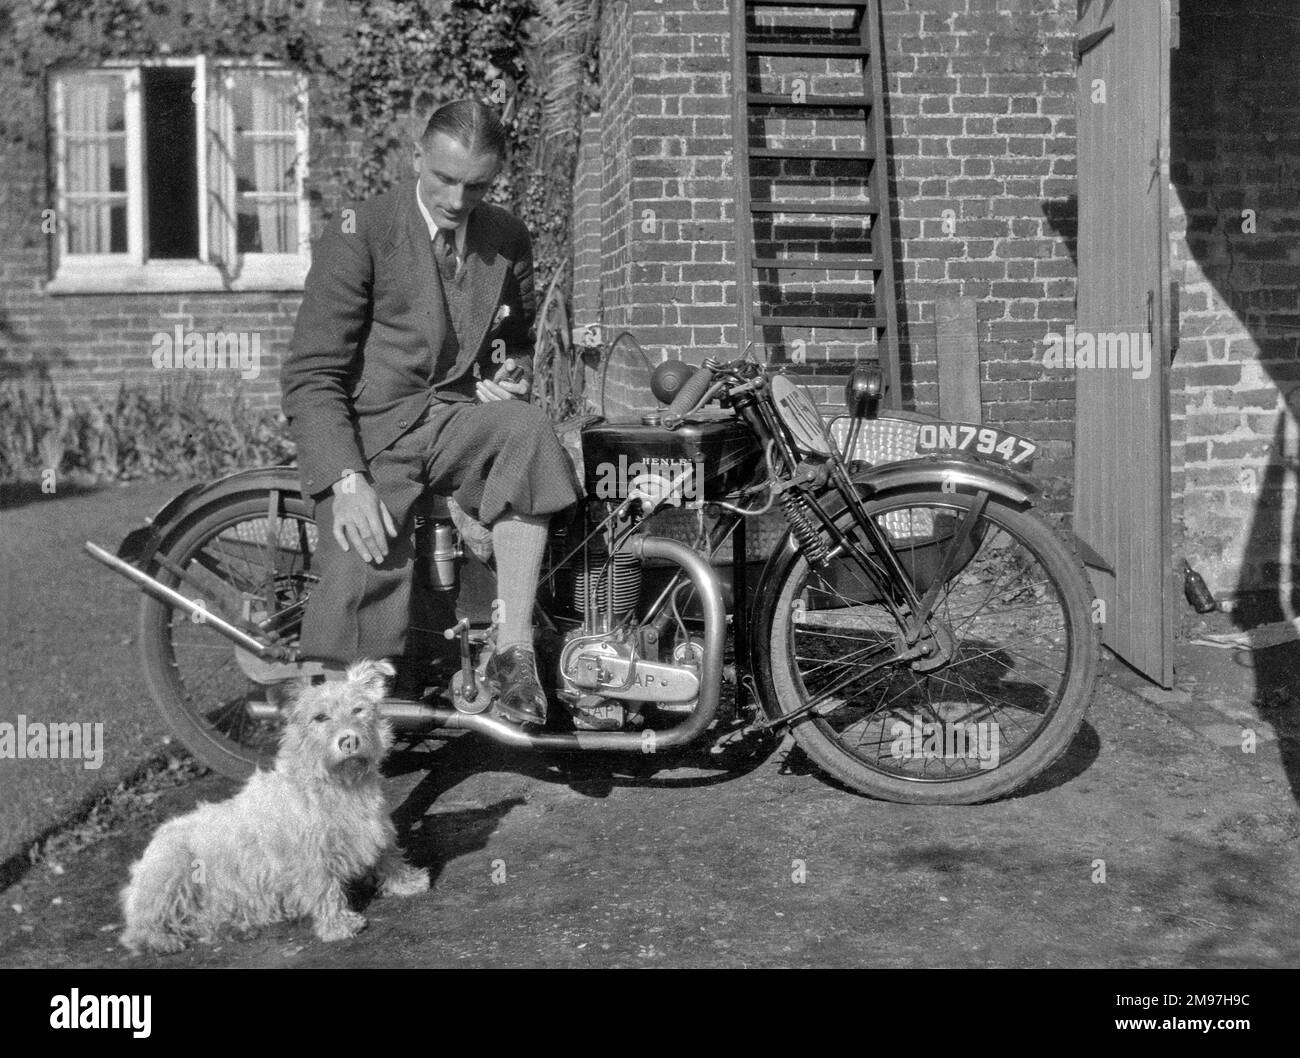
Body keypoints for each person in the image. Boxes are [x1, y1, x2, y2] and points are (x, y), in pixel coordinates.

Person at [281, 99, 580, 727]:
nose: (455, 197)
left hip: (452, 419)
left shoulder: (504, 237)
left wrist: (506, 375)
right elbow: (313, 375)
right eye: (443, 178)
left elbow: (515, 339)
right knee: (364, 579)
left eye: (475, 186)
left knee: (526, 430)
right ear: (417, 157)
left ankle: (513, 651)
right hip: (372, 436)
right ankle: (339, 747)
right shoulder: (361, 230)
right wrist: (347, 479)